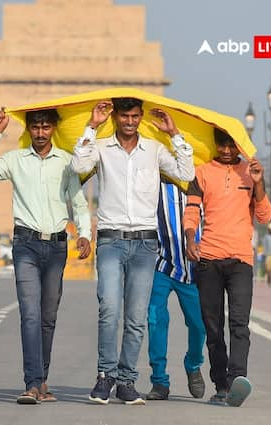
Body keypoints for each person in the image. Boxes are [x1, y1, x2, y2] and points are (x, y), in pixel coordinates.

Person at [72, 98, 195, 405]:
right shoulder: (100, 148)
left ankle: (126, 381)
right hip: (111, 240)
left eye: (134, 116)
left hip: (144, 243)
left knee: (136, 317)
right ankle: (105, 376)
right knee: (109, 310)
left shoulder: (154, 149)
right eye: (124, 116)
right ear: (116, 117)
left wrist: (173, 133)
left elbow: (186, 173)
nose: (129, 121)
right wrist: (91, 125)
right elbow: (78, 166)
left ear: (141, 117)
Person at [0, 107, 92, 404]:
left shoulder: (67, 162)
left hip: (56, 247)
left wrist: (85, 234)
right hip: (25, 243)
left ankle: (43, 380)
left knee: (47, 317)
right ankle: (32, 382)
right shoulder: (15, 160)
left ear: (54, 128)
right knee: (29, 314)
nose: (40, 133)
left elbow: (77, 202)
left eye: (46, 127)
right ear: (29, 130)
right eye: (36, 127)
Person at [184, 128, 271, 407]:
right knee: (213, 327)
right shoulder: (200, 172)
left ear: (239, 146)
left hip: (240, 261)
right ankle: (220, 385)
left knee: (239, 323)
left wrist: (258, 184)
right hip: (208, 259)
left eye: (231, 146)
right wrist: (189, 238)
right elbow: (191, 210)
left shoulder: (250, 172)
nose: (225, 151)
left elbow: (264, 215)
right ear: (215, 145)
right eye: (221, 145)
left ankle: (238, 380)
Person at [145, 180, 206, 401]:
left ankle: (193, 364)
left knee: (199, 325)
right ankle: (159, 381)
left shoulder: (201, 179)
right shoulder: (156, 178)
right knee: (155, 320)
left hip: (195, 268)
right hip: (161, 265)